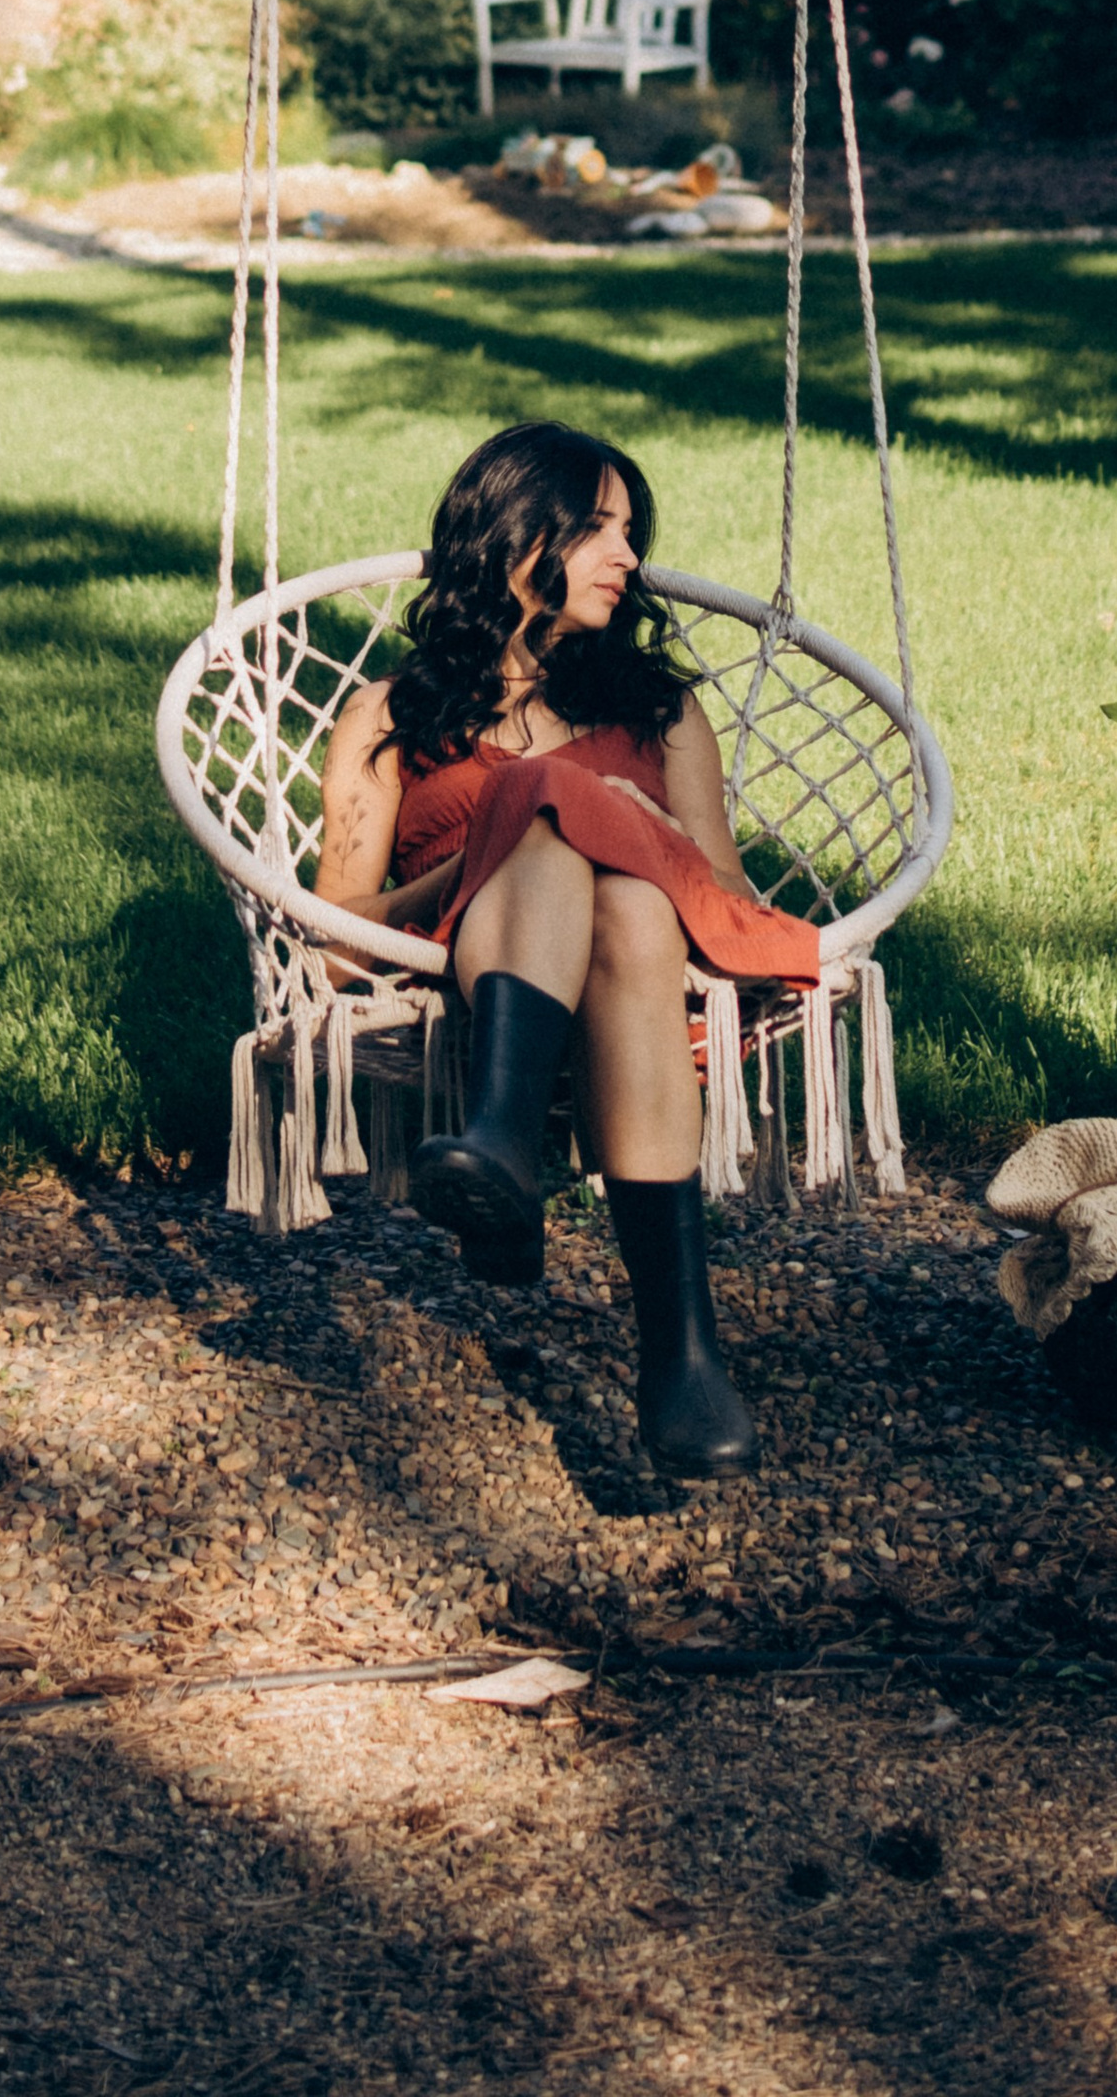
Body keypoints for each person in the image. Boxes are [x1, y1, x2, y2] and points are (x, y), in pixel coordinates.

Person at [316, 419, 821, 1478]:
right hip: (462, 945)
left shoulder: (657, 708)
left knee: (622, 890)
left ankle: (503, 1143)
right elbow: (336, 943)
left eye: (628, 532)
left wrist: (621, 820)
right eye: (596, 531)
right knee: (545, 810)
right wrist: (479, 857)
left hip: (645, 943)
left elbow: (720, 890)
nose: (628, 559)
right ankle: (680, 1357)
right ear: (510, 541)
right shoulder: (388, 717)